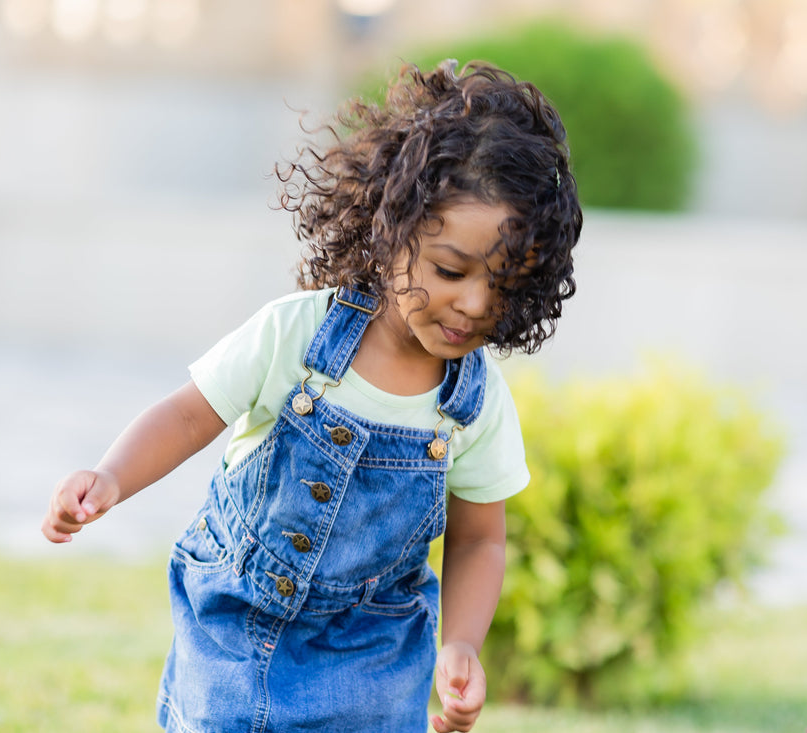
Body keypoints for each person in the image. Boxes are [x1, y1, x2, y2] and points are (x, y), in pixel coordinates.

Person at [41, 59, 582, 733]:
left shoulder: (473, 401)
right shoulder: (295, 333)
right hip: (236, 624)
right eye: (450, 270)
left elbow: (480, 541)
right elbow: (187, 415)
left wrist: (462, 642)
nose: (473, 303)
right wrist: (111, 476)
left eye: (500, 286)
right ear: (392, 231)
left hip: (373, 654)